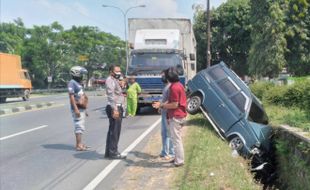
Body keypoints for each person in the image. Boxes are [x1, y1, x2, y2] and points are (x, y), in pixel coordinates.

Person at [153, 67, 187, 167]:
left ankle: (179, 161)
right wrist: (161, 104)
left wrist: (162, 105)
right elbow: (171, 101)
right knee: (175, 138)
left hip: (177, 116)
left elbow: (175, 104)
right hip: (178, 115)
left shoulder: (174, 87)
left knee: (176, 140)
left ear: (168, 77)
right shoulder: (178, 85)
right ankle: (177, 158)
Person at [105, 65, 126, 159]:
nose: (119, 73)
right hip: (115, 107)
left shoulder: (116, 79)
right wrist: (115, 109)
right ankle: (113, 152)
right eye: (116, 71)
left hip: (118, 106)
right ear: (111, 72)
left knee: (113, 131)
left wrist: (123, 82)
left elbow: (122, 89)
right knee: (115, 131)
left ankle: (109, 152)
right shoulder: (110, 80)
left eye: (120, 71)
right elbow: (111, 95)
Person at [68, 66, 90, 151]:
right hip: (77, 108)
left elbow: (81, 96)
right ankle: (78, 145)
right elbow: (72, 97)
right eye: (81, 74)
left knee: (81, 127)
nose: (82, 76)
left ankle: (80, 143)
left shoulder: (78, 83)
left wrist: (85, 110)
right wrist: (76, 109)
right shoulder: (72, 82)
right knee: (79, 126)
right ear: (76, 74)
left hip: (81, 108)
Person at [159, 70, 175, 160]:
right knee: (164, 133)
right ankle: (164, 151)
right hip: (164, 112)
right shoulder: (166, 86)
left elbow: (170, 100)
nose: (162, 77)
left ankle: (171, 152)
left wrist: (162, 105)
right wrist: (160, 107)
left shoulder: (169, 87)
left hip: (168, 113)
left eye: (163, 75)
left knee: (168, 133)